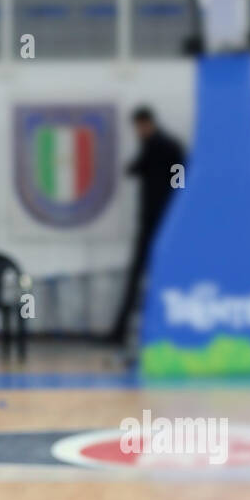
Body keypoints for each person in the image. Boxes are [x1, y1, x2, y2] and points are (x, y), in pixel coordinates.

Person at [106, 107, 185, 346]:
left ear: (146, 123)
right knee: (159, 278)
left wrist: (172, 197)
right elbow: (179, 178)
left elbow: (177, 178)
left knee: (144, 278)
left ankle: (123, 332)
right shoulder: (166, 147)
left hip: (158, 222)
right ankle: (164, 330)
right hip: (162, 222)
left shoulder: (161, 147)